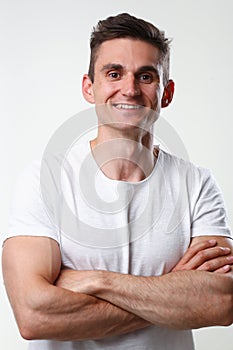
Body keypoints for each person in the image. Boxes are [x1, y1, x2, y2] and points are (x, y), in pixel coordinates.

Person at [2, 12, 233, 350]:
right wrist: (173, 291)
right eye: (114, 73)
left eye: (146, 76)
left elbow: (221, 303)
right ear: (89, 87)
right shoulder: (44, 180)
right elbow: (34, 315)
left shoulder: (196, 185)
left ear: (166, 92)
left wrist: (94, 281)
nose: (130, 89)